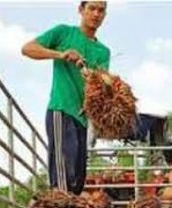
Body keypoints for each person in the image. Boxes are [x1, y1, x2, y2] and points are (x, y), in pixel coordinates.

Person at [21, 2, 110, 195]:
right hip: (61, 110)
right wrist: (61, 54)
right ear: (81, 10)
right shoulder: (63, 33)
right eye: (92, 8)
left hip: (83, 117)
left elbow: (103, 86)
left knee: (78, 179)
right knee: (63, 177)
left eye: (101, 10)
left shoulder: (103, 52)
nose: (96, 14)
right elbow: (28, 49)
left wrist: (95, 79)